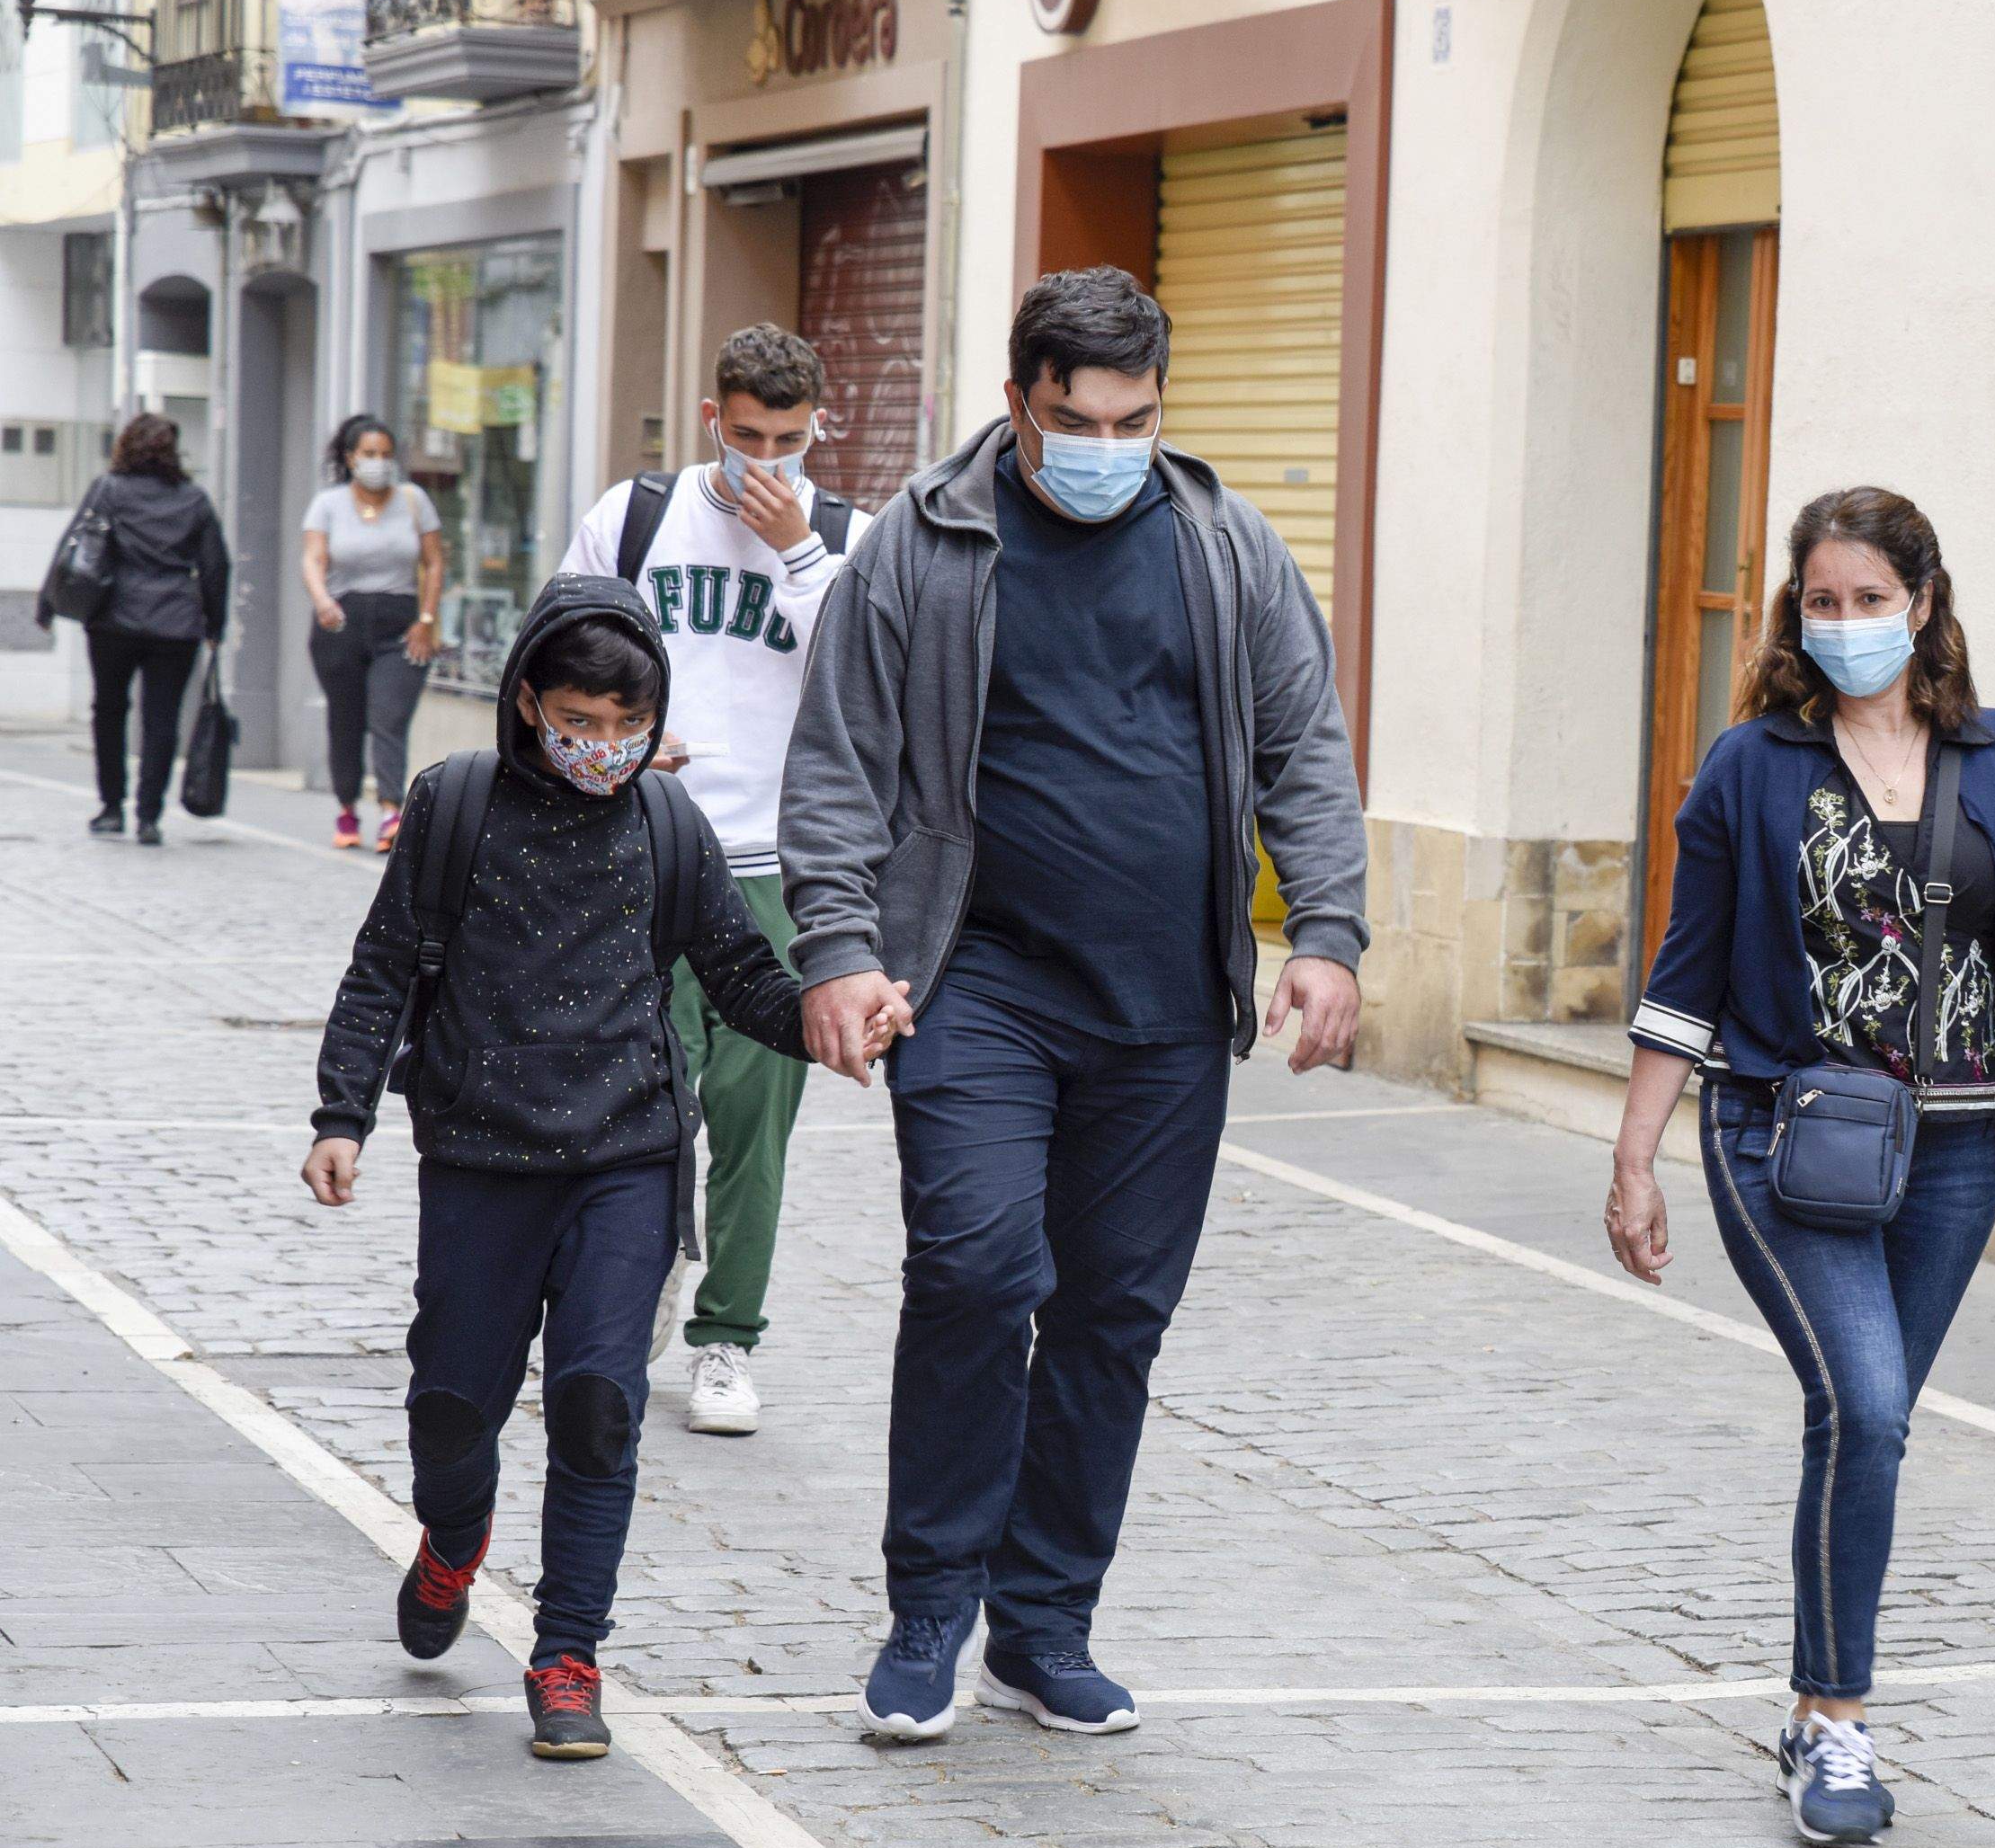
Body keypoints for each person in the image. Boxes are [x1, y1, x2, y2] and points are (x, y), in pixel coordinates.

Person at [779, 266, 1369, 1745]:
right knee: (979, 1272)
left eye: (1133, 416)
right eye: (1073, 417)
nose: (1104, 442)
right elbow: (839, 764)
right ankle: (930, 1607)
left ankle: (1043, 1626)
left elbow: (1302, 742)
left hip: (1166, 1009)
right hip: (974, 989)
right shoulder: (923, 547)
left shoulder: (1226, 546)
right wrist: (839, 947)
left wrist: (1328, 933)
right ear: (1016, 402)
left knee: (1113, 1316)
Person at [298, 575, 883, 1761]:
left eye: (628, 725)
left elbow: (741, 976)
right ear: (527, 701)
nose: (603, 748)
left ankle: (568, 1654)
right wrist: (340, 1113)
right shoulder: (455, 804)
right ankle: (454, 1537)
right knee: (453, 1407)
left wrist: (831, 1017)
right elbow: (381, 973)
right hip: (478, 1157)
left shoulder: (670, 826)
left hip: (627, 1158)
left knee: (598, 1402)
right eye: (580, 720)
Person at [1604, 487, 1995, 1848]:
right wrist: (1633, 1155)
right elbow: (1685, 975)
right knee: (1869, 1407)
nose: (1842, 626)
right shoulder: (1749, 766)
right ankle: (1834, 1724)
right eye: (1819, 603)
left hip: (1951, 1152)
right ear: (1793, 611)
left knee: (1862, 1429)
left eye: (1868, 602)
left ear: (1924, 606)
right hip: (1778, 1133)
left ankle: (1812, 1703)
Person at [566, 324, 873, 1437]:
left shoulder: (845, 538)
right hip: (640, 853)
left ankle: (728, 1339)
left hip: (779, 878)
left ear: (817, 429)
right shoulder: (636, 516)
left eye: (789, 440)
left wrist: (798, 550)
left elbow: (873, 679)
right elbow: (557, 656)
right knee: (637, 1106)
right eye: (748, 436)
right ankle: (631, 1292)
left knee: (754, 1121)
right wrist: (622, 746)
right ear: (713, 421)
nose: (766, 460)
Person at [34, 413, 229, 846]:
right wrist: (215, 624)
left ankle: (110, 807)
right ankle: (148, 815)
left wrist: (48, 601)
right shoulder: (194, 500)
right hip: (176, 624)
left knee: (109, 710)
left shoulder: (109, 490)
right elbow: (215, 566)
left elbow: (75, 543)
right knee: (161, 721)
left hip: (113, 618)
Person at [300, 413, 444, 852]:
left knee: (389, 717)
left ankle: (390, 810)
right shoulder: (328, 504)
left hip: (401, 625)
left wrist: (427, 619)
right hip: (341, 622)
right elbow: (312, 558)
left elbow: (435, 562)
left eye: (385, 454)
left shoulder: (414, 500)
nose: (378, 462)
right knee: (345, 718)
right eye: (369, 454)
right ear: (350, 458)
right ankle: (346, 808)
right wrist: (322, 599)